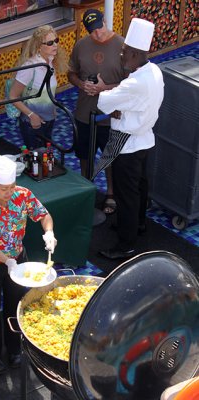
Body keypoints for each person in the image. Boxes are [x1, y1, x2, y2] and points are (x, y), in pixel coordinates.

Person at [0, 155, 57, 370]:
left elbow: (43, 214)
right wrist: (7, 261)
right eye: (3, 189)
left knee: (15, 304)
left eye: (11, 187)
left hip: (18, 257)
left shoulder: (23, 195)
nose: (9, 193)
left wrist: (49, 231)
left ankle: (15, 350)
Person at [95, 18, 164, 259]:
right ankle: (137, 225)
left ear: (134, 54)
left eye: (124, 52)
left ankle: (126, 244)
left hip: (127, 143)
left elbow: (105, 101)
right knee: (140, 189)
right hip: (145, 138)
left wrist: (111, 99)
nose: (121, 55)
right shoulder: (154, 71)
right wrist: (121, 106)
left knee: (127, 195)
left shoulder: (135, 82)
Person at [67, 9, 125, 215]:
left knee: (108, 157)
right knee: (84, 155)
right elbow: (71, 73)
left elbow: (131, 84)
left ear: (106, 21)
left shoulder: (122, 46)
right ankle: (86, 189)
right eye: (92, 31)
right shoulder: (81, 45)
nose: (97, 34)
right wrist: (82, 84)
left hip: (110, 116)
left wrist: (104, 88)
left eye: (99, 28)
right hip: (84, 112)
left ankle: (110, 193)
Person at [9, 25, 68, 149]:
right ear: (38, 46)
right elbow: (12, 96)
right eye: (50, 43)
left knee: (46, 156)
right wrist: (32, 116)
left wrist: (52, 108)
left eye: (56, 41)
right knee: (36, 159)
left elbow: (47, 91)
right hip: (32, 122)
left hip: (49, 119)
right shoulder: (30, 67)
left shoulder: (50, 62)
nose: (55, 45)